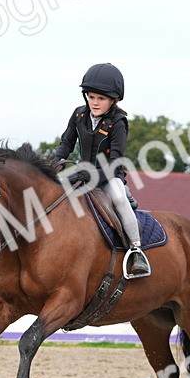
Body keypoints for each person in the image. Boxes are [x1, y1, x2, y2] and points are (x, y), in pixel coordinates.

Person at [51, 62, 149, 278]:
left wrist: (93, 176)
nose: (94, 103)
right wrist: (54, 161)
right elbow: (66, 144)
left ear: (114, 100)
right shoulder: (78, 115)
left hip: (109, 176)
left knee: (120, 200)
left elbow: (116, 161)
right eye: (91, 97)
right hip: (81, 172)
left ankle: (136, 250)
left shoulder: (118, 122)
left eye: (101, 99)